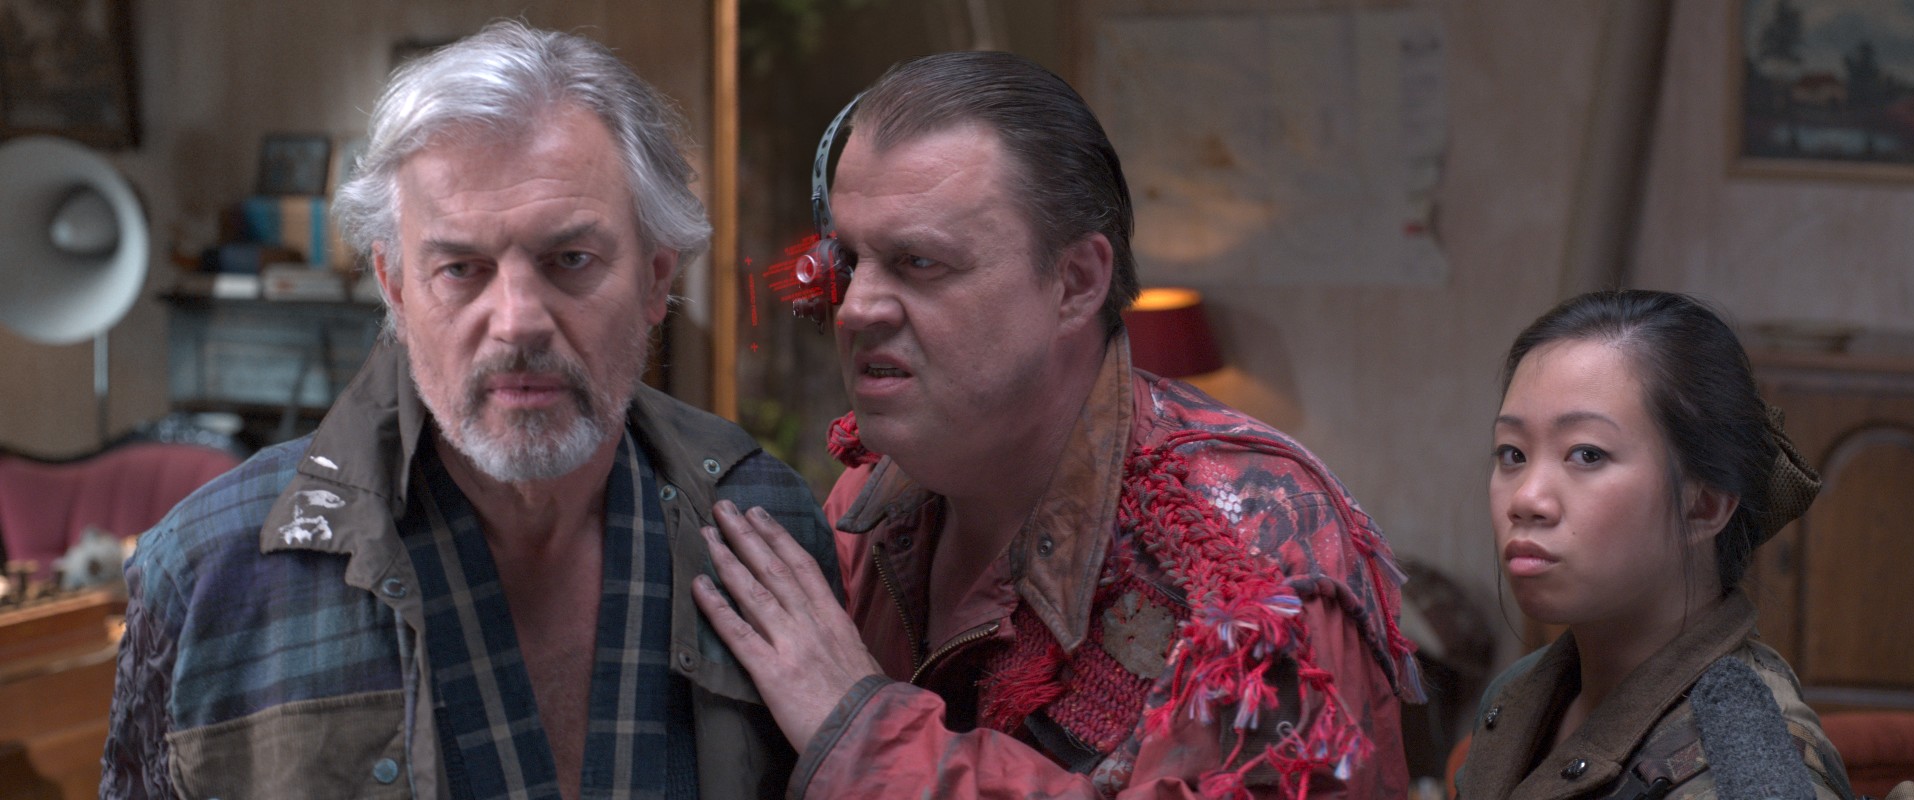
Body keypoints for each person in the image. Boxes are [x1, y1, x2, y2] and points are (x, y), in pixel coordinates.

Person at [102, 21, 835, 799]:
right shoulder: (209, 571)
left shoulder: (765, 530)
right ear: (394, 287)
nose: (517, 322)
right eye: (460, 268)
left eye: (571, 260)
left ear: (656, 278)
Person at [690, 51, 1424, 798]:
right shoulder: (871, 500)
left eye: (919, 262)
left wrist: (865, 734)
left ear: (1075, 283)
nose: (855, 307)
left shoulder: (1246, 559)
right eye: (848, 259)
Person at [1454, 290, 1851, 798]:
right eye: (1512, 454)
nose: (1526, 499)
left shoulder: (1741, 769)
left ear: (1704, 506)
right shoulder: (1518, 694)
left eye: (1587, 454)